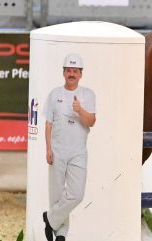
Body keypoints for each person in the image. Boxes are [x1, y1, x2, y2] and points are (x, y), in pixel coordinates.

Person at [43, 53, 96, 241]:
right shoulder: (54, 94)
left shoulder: (88, 95)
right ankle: (61, 234)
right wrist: (48, 149)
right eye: (68, 70)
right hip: (57, 150)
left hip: (78, 152)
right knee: (57, 194)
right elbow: (48, 124)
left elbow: (91, 122)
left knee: (76, 194)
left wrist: (80, 110)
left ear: (80, 74)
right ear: (63, 73)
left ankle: (49, 219)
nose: (71, 74)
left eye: (75, 70)